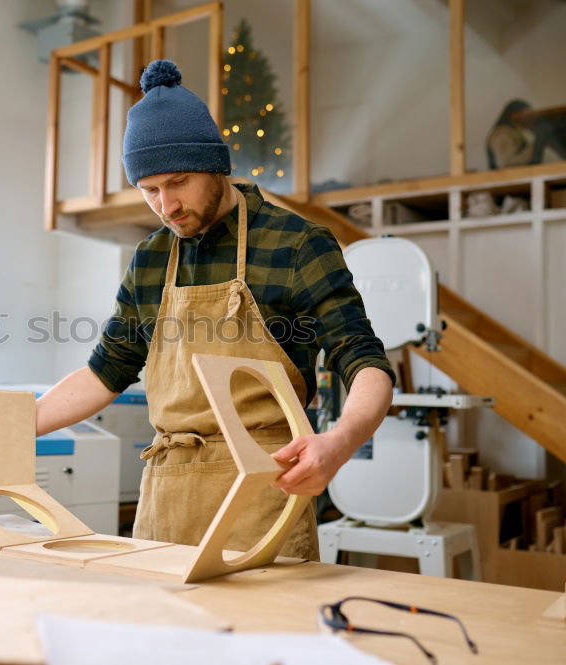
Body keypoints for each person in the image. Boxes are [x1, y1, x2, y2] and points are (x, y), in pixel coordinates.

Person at [35, 60, 393, 559]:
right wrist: (13, 427)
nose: (166, 205)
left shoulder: (297, 245)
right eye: (149, 190)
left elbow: (363, 359)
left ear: (216, 167)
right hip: (166, 499)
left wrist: (339, 442)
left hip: (266, 493)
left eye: (179, 181)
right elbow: (105, 372)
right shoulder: (152, 258)